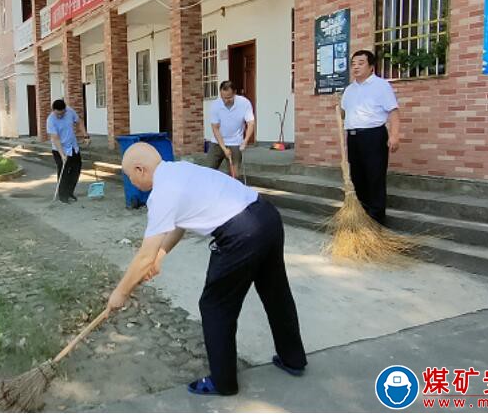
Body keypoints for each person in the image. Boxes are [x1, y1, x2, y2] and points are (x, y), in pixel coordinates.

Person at [107, 143, 307, 396]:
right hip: (266, 217)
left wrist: (120, 293)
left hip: (241, 234)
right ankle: (293, 359)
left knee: (215, 305)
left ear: (140, 169)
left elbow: (143, 256)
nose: (131, 181)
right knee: (275, 292)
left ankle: (223, 383)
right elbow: (178, 224)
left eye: (129, 176)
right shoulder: (179, 170)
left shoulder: (162, 193)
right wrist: (160, 255)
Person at [340, 50, 400, 225]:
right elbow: (345, 114)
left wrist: (394, 135)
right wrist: (339, 109)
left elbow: (393, 111)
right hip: (353, 137)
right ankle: (363, 215)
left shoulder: (381, 86)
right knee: (357, 177)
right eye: (353, 63)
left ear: (371, 66)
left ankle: (376, 219)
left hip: (373, 136)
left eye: (360, 63)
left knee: (374, 177)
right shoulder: (349, 89)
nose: (356, 66)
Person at [206, 81, 255, 177]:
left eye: (229, 97)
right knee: (208, 170)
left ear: (235, 93)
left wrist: (245, 141)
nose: (226, 100)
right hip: (218, 142)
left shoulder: (244, 103)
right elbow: (215, 128)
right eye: (223, 97)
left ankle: (233, 190)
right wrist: (224, 148)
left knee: (234, 175)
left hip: (235, 142)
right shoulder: (215, 105)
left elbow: (251, 123)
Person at [46, 99, 89, 204]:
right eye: (57, 114)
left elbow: (79, 122)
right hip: (59, 149)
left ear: (65, 110)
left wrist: (85, 135)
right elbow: (55, 138)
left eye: (61, 114)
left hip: (73, 147)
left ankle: (70, 192)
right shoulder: (51, 120)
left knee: (76, 170)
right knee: (63, 172)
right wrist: (62, 154)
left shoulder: (70, 111)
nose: (59, 116)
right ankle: (63, 196)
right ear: (53, 111)